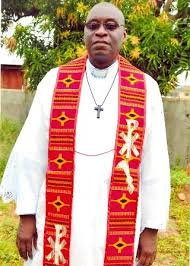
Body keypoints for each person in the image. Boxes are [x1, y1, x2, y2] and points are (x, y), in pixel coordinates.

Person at [0, 2, 170, 266]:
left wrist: (150, 229)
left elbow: (155, 162)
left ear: (123, 35)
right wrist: (26, 215)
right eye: (93, 26)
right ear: (85, 34)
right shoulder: (55, 81)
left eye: (110, 26)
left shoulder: (145, 88)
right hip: (60, 210)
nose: (101, 32)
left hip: (117, 214)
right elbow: (31, 153)